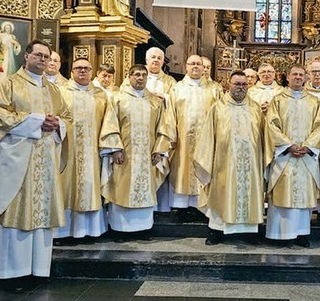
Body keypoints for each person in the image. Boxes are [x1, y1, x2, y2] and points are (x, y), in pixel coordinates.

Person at [0, 40, 70, 290]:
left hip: (44, 162)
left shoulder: (54, 90)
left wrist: (57, 124)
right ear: (26, 56)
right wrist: (37, 122)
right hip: (16, 162)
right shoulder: (10, 84)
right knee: (14, 213)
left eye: (46, 57)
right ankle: (10, 273)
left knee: (40, 214)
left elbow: (67, 117)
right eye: (38, 55)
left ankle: (37, 269)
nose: (43, 60)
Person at [99, 64, 171, 241]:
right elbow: (110, 123)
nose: (140, 78)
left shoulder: (155, 101)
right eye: (136, 75)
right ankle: (119, 230)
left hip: (147, 157)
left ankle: (144, 229)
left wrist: (159, 150)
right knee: (121, 188)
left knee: (145, 191)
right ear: (129, 77)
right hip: (125, 156)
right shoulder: (118, 98)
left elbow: (163, 127)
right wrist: (115, 148)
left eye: (143, 75)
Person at [194, 71, 264, 245]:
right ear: (229, 85)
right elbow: (208, 137)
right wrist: (206, 162)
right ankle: (216, 232)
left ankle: (249, 233)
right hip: (223, 164)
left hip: (250, 165)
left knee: (248, 195)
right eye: (237, 84)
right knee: (221, 195)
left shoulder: (255, 108)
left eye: (243, 84)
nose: (240, 87)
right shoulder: (218, 108)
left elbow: (264, 138)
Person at [265, 65, 320, 247]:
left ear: (305, 78)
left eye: (301, 75)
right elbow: (271, 125)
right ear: (287, 77)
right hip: (285, 157)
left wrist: (307, 146)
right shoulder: (277, 100)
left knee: (303, 198)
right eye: (295, 74)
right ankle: (279, 235)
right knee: (282, 195)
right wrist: (288, 145)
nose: (298, 77)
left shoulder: (314, 101)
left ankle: (302, 234)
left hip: (305, 157)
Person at [55, 58, 108, 244]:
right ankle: (63, 232)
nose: (82, 71)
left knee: (89, 187)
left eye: (86, 68)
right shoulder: (61, 93)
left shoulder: (100, 95)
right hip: (66, 150)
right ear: (71, 72)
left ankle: (89, 231)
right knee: (66, 188)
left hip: (92, 151)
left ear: (92, 72)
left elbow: (108, 122)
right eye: (78, 68)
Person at [165, 55, 222, 214]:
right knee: (183, 170)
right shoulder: (177, 88)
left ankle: (202, 207)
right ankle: (182, 207)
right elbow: (170, 114)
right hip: (183, 140)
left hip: (207, 140)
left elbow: (221, 114)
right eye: (192, 64)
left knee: (204, 168)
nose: (195, 66)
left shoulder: (214, 88)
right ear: (186, 67)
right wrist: (171, 136)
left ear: (204, 68)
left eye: (199, 64)